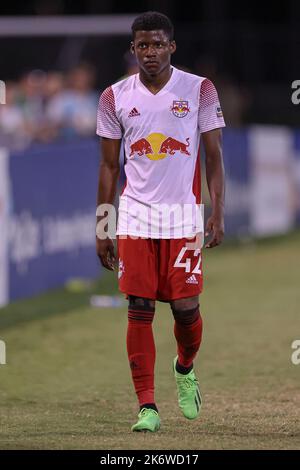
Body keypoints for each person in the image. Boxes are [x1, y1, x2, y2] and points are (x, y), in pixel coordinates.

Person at [96, 11, 225, 432]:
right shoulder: (114, 96)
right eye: (142, 45)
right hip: (135, 216)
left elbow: (214, 157)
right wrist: (104, 226)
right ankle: (147, 407)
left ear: (172, 46)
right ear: (133, 50)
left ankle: (185, 367)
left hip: (183, 217)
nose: (150, 52)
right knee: (139, 306)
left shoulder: (199, 90)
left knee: (186, 310)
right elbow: (109, 168)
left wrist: (217, 212)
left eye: (157, 44)